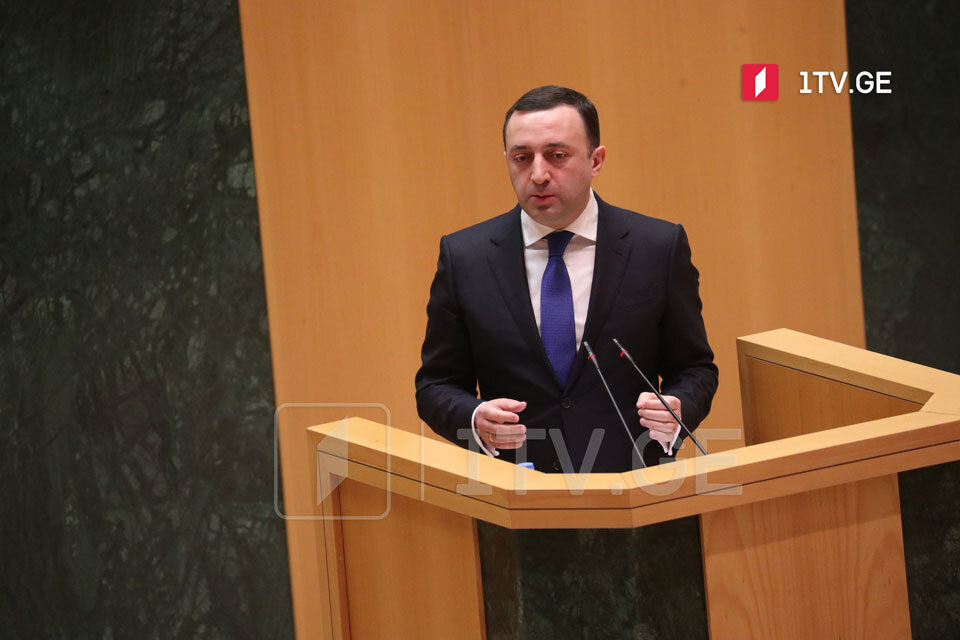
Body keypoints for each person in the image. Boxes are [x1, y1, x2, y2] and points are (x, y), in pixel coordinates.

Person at [415, 85, 717, 473]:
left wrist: (677, 409)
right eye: (522, 158)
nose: (538, 174)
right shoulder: (465, 258)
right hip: (515, 487)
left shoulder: (656, 247)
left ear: (596, 160)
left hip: (632, 485)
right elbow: (436, 385)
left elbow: (695, 369)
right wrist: (474, 418)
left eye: (557, 156)